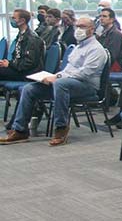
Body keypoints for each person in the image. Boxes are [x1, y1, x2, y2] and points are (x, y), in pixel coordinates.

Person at [0, 17, 106, 146]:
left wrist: (58, 78)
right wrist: (54, 77)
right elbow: (67, 70)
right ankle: (20, 130)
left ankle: (61, 128)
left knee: (60, 84)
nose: (78, 29)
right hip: (66, 84)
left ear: (92, 29)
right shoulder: (78, 47)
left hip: (87, 87)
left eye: (82, 26)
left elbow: (85, 73)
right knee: (29, 89)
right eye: (77, 26)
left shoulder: (96, 49)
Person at [0, 9, 45, 83]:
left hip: (27, 73)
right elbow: (18, 58)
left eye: (14, 18)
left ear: (22, 21)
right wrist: (7, 62)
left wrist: (10, 64)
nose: (12, 20)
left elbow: (28, 63)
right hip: (18, 69)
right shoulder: (21, 35)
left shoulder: (32, 39)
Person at [96, 7, 122, 73]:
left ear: (112, 19)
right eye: (100, 16)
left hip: (112, 67)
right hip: (102, 64)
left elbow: (111, 56)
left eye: (104, 16)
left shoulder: (116, 35)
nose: (101, 18)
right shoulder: (103, 33)